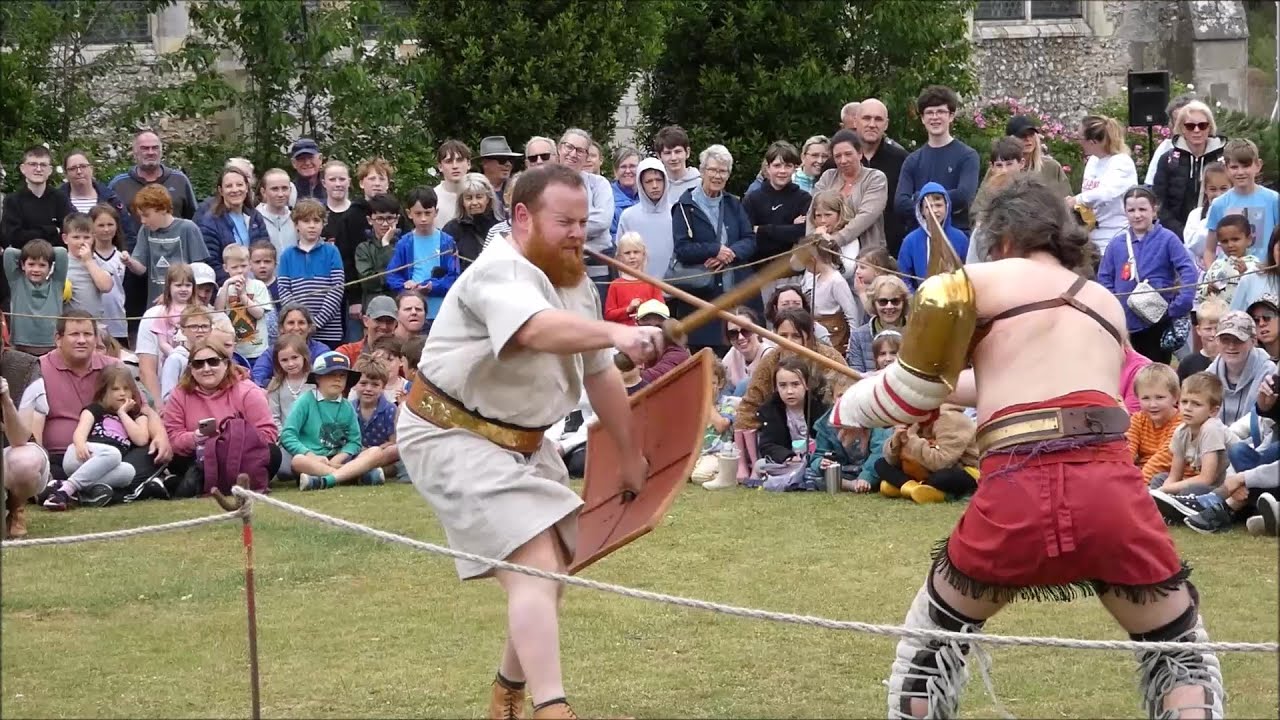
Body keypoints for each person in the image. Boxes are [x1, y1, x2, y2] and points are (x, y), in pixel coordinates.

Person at [833, 174, 1224, 719]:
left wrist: (849, 405)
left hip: (1015, 490)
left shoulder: (973, 281)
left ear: (1001, 235)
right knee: (1181, 653)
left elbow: (912, 391)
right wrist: (927, 394)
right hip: (1110, 493)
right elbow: (1017, 382)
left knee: (928, 648)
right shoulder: (1104, 304)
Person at [395, 164, 661, 719]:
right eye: (564, 221)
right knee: (536, 560)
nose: (576, 234)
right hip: (451, 432)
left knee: (549, 568)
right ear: (521, 216)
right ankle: (553, 710)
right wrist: (620, 332)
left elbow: (599, 375)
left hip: (523, 441)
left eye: (583, 222)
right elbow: (533, 330)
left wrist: (630, 453)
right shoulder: (500, 270)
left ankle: (507, 695)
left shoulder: (577, 284)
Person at [162, 339, 280, 495]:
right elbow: (173, 438)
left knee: (273, 453)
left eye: (213, 362)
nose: (206, 368)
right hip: (197, 455)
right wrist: (195, 437)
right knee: (175, 458)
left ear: (226, 364)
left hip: (241, 455)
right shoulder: (179, 394)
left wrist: (233, 442)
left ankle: (196, 483)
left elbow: (268, 434)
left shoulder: (248, 391)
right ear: (190, 368)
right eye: (198, 364)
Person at [1096, 186, 1197, 364]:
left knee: (1155, 372)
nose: (1137, 215)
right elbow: (1105, 278)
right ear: (1124, 212)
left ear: (1154, 209)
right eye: (1131, 210)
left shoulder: (1168, 239)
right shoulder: (1117, 244)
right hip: (1126, 324)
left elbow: (1188, 270)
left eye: (1142, 209)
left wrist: (1178, 305)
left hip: (1157, 320)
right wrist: (1115, 306)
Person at [43, 366, 151, 510]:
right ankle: (68, 489)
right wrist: (80, 444)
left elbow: (141, 439)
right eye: (115, 389)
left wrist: (123, 414)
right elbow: (80, 431)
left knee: (129, 472)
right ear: (104, 392)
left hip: (104, 466)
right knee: (113, 453)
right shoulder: (95, 409)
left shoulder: (137, 417)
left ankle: (67, 488)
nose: (122, 393)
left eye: (126, 388)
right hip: (81, 455)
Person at [284, 351, 387, 490]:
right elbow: (287, 435)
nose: (337, 379)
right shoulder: (304, 401)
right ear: (318, 378)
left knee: (375, 452)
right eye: (331, 374)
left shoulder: (347, 406)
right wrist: (311, 455)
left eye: (342, 375)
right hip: (312, 461)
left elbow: (354, 441)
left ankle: (324, 480)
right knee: (297, 461)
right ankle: (354, 476)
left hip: (341, 459)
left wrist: (338, 458)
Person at [894, 86, 980, 236]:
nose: (935, 117)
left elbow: (964, 195)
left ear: (951, 116)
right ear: (922, 118)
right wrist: (942, 201)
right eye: (929, 113)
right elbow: (900, 204)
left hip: (956, 237)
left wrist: (919, 198)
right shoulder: (912, 160)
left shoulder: (968, 156)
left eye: (940, 112)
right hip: (919, 236)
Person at [873, 403, 979, 504]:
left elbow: (941, 463)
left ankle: (906, 486)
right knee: (880, 464)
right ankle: (916, 488)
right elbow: (892, 461)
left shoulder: (950, 419)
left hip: (962, 468)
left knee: (942, 477)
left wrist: (912, 438)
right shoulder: (915, 418)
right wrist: (896, 440)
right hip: (924, 468)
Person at [1147, 372, 1228, 501]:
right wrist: (1162, 491)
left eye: (1196, 404)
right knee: (1159, 478)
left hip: (1223, 487)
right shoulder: (1181, 431)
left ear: (1213, 411)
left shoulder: (1211, 428)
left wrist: (1164, 490)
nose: (1188, 408)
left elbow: (1207, 479)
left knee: (1192, 490)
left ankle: (1171, 506)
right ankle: (1162, 504)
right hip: (1203, 484)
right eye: (1184, 402)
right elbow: (1175, 476)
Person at [1152, 101, 1227, 240]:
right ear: (1182, 128)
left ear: (1210, 127)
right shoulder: (1168, 159)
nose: (1197, 130)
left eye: (1202, 125)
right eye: (1190, 126)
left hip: (1218, 235)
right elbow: (1159, 202)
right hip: (1175, 236)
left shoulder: (1223, 158)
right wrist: (1182, 233)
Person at [386, 186, 460, 322]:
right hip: (412, 313)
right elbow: (392, 275)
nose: (423, 219)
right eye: (418, 214)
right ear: (409, 213)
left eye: (427, 213)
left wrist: (432, 286)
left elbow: (454, 277)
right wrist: (405, 286)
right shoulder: (405, 243)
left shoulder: (447, 242)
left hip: (440, 311)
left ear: (436, 212)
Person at [278, 199, 345, 348]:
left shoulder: (332, 251)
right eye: (306, 221)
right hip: (297, 332)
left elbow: (337, 289)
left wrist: (315, 323)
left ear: (323, 224)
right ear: (296, 225)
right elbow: (284, 291)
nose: (312, 225)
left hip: (329, 332)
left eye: (316, 220)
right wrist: (301, 322)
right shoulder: (287, 255)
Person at [1203, 139, 1278, 267]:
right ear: (1226, 168)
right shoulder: (1219, 204)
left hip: (1264, 274)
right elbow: (1209, 250)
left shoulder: (1273, 200)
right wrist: (1213, 275)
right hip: (1230, 277)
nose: (1240, 172)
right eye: (1234, 167)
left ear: (1258, 165)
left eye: (1246, 166)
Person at [1072, 115, 1138, 255]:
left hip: (1114, 234)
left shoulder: (1121, 162)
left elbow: (1106, 192)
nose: (1079, 142)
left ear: (1093, 141)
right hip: (1092, 235)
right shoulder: (1093, 161)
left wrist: (1076, 200)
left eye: (1080, 138)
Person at [1205, 310, 1277, 426]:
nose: (1231, 346)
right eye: (1225, 340)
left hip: (1254, 440)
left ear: (1253, 341)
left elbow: (1266, 424)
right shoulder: (1210, 374)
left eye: (1238, 340)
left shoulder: (1268, 372)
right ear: (1217, 341)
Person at [897, 183, 969, 291]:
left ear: (947, 206)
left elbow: (968, 271)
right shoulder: (910, 241)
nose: (934, 210)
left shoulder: (960, 238)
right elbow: (903, 277)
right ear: (921, 210)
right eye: (928, 207)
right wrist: (914, 299)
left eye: (938, 205)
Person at [4, 238, 68, 355]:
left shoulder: (56, 284)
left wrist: (44, 251)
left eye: (42, 265)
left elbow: (62, 252)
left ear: (50, 267)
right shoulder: (17, 281)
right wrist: (28, 252)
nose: (36, 269)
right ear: (23, 265)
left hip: (51, 347)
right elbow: (9, 253)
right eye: (31, 264)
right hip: (21, 347)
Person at [615, 157, 674, 279]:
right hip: (639, 289)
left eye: (658, 180)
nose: (655, 186)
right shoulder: (628, 216)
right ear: (641, 184)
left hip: (675, 288)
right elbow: (620, 257)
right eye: (649, 181)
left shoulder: (676, 212)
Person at [1126, 363, 1180, 484]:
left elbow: (1163, 458)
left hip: (1168, 477)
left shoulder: (1181, 422)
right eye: (1146, 398)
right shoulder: (1138, 419)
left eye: (1160, 397)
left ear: (1175, 397)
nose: (1153, 404)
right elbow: (1128, 450)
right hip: (1141, 475)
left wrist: (1138, 484)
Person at [846, 275, 910, 374]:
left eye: (895, 301)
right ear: (873, 303)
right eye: (883, 302)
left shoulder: (917, 333)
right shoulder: (858, 336)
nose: (889, 306)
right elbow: (856, 375)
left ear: (904, 303)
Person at [1197, 214, 1261, 308]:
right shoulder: (1216, 265)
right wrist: (1208, 289)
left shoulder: (1255, 264)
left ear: (1249, 240)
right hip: (1218, 316)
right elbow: (1200, 296)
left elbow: (1260, 292)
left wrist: (1246, 274)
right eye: (1224, 241)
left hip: (1244, 316)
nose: (1230, 245)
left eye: (1235, 239)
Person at [602, 232, 663, 326]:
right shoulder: (616, 285)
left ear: (643, 254)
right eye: (627, 253)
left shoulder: (652, 283)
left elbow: (662, 311)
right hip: (623, 335)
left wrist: (647, 310)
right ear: (620, 257)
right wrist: (627, 309)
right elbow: (608, 315)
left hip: (648, 334)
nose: (632, 256)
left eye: (636, 252)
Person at [1004, 115, 1071, 198]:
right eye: (1022, 135)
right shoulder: (1002, 167)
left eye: (1031, 134)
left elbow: (1068, 201)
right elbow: (985, 204)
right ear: (1010, 140)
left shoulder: (1052, 167)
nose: (1028, 139)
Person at [1182, 162, 1232, 269]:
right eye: (1213, 189)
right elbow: (1194, 246)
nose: (1218, 195)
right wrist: (1211, 216)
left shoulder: (1237, 214)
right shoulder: (1196, 215)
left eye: (1223, 189)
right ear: (1205, 190)